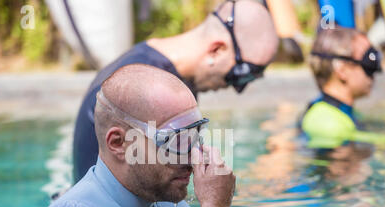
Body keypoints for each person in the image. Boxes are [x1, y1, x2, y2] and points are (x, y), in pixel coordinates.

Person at [23, 64, 243, 207]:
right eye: (176, 141)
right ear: (119, 143)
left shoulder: (166, 205)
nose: (193, 156)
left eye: (196, 136)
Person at [73, 0, 278, 183]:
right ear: (217, 49)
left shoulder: (160, 73)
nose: (238, 88)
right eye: (242, 74)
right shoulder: (148, 87)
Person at [299, 27, 385, 152]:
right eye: (369, 60)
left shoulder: (336, 113)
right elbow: (339, 169)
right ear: (342, 70)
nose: (376, 70)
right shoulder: (328, 124)